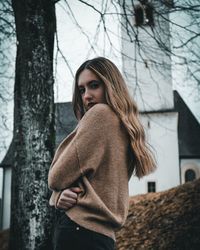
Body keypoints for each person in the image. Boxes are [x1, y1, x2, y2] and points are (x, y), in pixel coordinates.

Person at [48, 57, 156, 250]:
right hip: (104, 238)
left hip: (79, 231)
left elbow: (56, 178)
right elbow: (96, 185)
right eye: (81, 90)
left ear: (110, 86)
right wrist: (59, 196)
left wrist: (56, 194)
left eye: (94, 86)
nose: (86, 96)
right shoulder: (127, 129)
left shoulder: (100, 115)